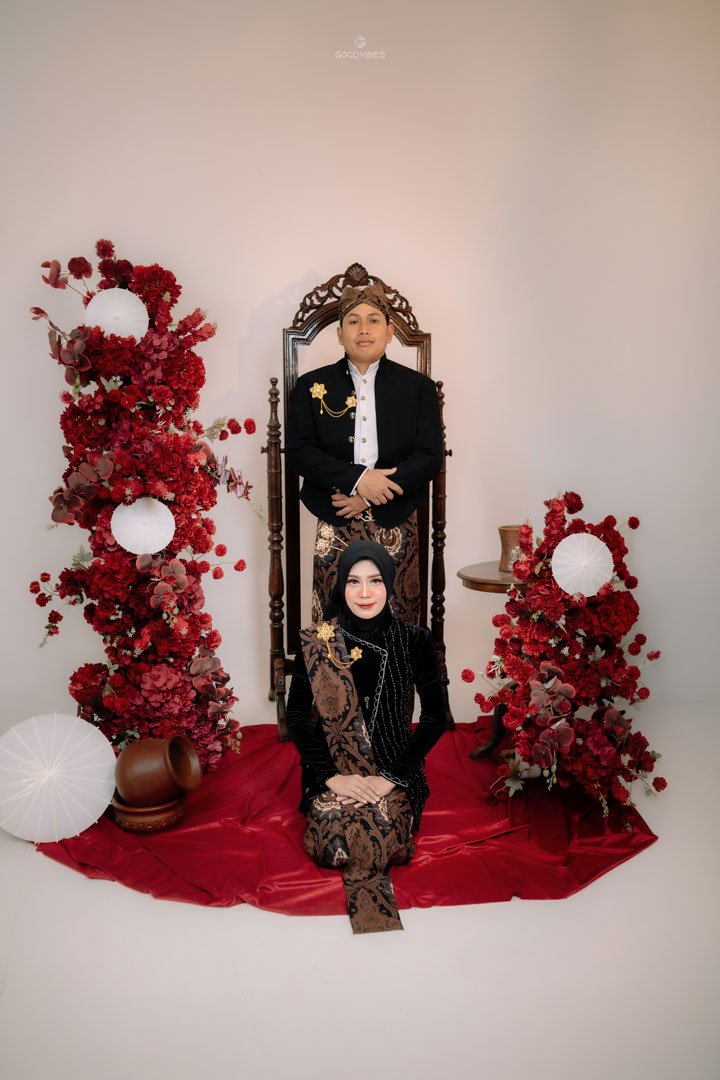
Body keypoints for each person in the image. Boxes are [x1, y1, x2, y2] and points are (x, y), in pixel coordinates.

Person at [285, 540, 446, 933]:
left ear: (389, 583)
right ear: (341, 586)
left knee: (388, 843)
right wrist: (331, 778)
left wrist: (390, 778)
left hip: (394, 767)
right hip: (333, 768)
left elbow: (435, 718)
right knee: (331, 846)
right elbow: (296, 717)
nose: (364, 593)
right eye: (353, 582)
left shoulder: (415, 639)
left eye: (375, 581)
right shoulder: (320, 641)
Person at [286, 283, 443, 624]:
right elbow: (298, 452)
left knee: (397, 621)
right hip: (335, 515)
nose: (364, 329)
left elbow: (430, 456)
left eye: (373, 320)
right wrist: (358, 480)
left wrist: (370, 495)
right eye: (354, 321)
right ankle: (332, 664)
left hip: (397, 517)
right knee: (333, 625)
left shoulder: (418, 388)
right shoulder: (311, 386)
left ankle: (397, 666)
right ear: (340, 334)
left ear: (390, 332)